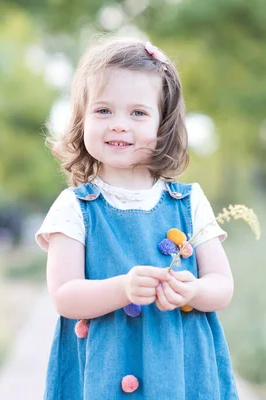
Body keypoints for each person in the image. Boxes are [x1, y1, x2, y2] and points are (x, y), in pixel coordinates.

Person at [35, 37, 239, 399]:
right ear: (81, 120)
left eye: (138, 113)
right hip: (106, 368)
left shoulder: (189, 203)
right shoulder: (74, 207)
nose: (118, 124)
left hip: (179, 370)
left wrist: (191, 290)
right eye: (103, 111)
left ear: (163, 124)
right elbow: (64, 295)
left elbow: (222, 286)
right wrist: (122, 288)